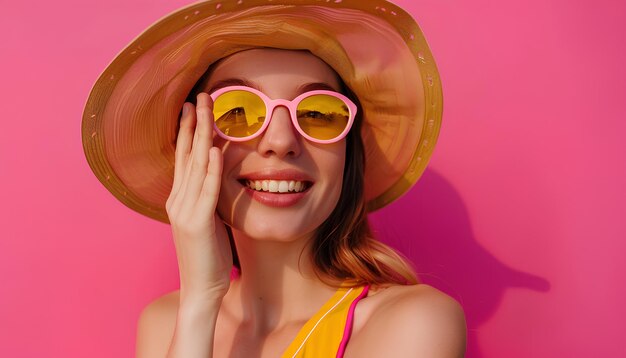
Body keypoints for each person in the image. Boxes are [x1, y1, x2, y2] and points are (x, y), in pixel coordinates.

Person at [82, 1, 466, 357]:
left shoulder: (414, 321)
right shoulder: (165, 321)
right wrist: (200, 301)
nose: (280, 141)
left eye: (317, 114)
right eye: (236, 110)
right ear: (189, 145)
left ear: (348, 153)